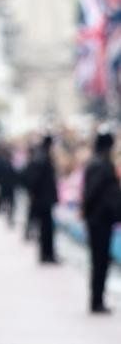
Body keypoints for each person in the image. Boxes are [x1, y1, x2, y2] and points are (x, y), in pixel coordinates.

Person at [82, 130, 121, 314]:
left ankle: (97, 298)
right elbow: (93, 192)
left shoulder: (95, 163)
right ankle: (97, 300)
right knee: (100, 261)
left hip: (97, 219)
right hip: (100, 221)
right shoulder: (102, 165)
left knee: (100, 261)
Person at [22, 136, 58, 263]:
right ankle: (47, 254)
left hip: (41, 198)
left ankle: (46, 254)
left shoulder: (39, 156)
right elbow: (34, 180)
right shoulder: (42, 158)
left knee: (45, 228)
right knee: (46, 229)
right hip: (43, 200)